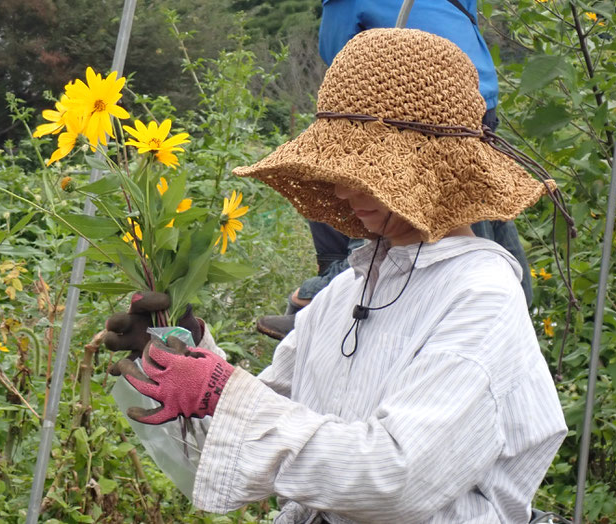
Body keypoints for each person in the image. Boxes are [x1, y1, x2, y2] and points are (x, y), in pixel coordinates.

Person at [106, 29, 567, 523]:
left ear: (432, 169)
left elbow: (398, 479)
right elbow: (254, 436)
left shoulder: (480, 296)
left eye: (367, 169)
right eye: (339, 170)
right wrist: (177, 353)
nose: (344, 191)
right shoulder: (348, 291)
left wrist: (217, 391)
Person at [256, 0, 533, 340]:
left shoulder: (482, 295)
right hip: (475, 110)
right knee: (468, 213)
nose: (340, 192)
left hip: (397, 120)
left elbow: (339, 55)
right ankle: (521, 305)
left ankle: (325, 288)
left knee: (379, 200)